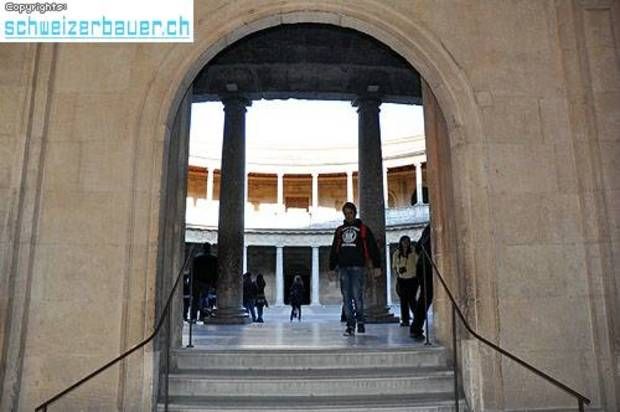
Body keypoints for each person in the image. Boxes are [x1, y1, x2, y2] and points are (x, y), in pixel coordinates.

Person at [328, 202, 381, 336]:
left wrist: (377, 265)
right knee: (346, 298)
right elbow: (334, 249)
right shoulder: (340, 230)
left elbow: (373, 247)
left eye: (350, 213)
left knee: (357, 296)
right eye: (346, 213)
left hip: (358, 267)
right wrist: (332, 267)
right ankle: (350, 325)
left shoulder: (363, 229)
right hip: (344, 267)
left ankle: (360, 321)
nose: (348, 216)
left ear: (355, 213)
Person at [410, 223, 432, 341]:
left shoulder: (428, 229)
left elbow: (418, 247)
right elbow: (421, 247)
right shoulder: (431, 228)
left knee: (424, 297)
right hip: (426, 266)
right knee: (425, 297)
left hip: (423, 265)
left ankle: (416, 327)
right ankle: (416, 328)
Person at [392, 235, 418, 327]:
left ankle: (418, 318)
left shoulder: (413, 252)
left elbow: (417, 263)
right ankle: (405, 320)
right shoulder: (397, 253)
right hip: (402, 279)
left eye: (407, 241)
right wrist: (398, 275)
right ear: (401, 242)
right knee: (403, 301)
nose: (405, 243)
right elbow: (394, 266)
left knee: (412, 299)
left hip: (412, 278)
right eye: (404, 241)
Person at [191, 243, 218, 322]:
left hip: (198, 281)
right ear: (210, 249)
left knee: (196, 300)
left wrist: (192, 282)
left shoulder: (197, 258)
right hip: (208, 282)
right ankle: (203, 316)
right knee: (205, 299)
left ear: (203, 248)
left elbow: (193, 271)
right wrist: (215, 283)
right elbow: (216, 272)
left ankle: (194, 317)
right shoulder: (214, 259)